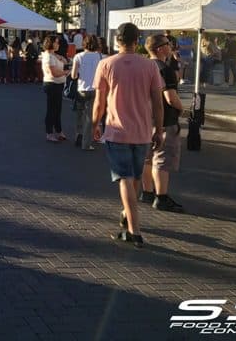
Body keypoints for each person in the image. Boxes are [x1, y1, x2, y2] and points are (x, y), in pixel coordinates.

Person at [92, 22, 164, 248]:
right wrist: (159, 129)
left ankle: (134, 231)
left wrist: (95, 123)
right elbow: (158, 102)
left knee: (124, 178)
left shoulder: (106, 64)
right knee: (133, 177)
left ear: (117, 41)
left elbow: (99, 101)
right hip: (142, 131)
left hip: (117, 130)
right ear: (137, 41)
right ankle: (126, 211)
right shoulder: (150, 66)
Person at [140, 34, 185, 212]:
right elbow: (170, 97)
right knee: (162, 159)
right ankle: (162, 196)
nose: (171, 46)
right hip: (165, 119)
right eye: (168, 44)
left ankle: (147, 191)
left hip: (144, 118)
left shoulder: (143, 67)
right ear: (160, 48)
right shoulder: (164, 70)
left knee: (147, 158)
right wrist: (181, 109)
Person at [70, 34, 103, 150]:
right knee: (90, 117)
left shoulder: (78, 56)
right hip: (94, 89)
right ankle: (86, 143)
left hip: (81, 89)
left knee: (79, 113)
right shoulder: (99, 57)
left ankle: (78, 135)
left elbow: (73, 76)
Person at [41, 35, 68, 143]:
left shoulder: (54, 55)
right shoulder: (48, 56)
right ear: (51, 43)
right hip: (52, 84)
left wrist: (61, 58)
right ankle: (49, 133)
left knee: (57, 110)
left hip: (58, 84)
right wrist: (66, 72)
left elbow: (65, 62)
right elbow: (54, 73)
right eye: (56, 42)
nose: (58, 44)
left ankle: (59, 131)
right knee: (52, 110)